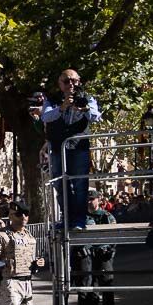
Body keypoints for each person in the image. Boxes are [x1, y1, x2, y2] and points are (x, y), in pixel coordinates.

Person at [42, 69, 101, 230]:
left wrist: (86, 109)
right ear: (60, 84)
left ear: (79, 81)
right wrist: (62, 107)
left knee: (80, 184)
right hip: (58, 148)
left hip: (79, 147)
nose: (71, 85)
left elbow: (97, 117)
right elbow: (45, 117)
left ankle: (79, 221)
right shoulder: (52, 99)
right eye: (66, 81)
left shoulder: (87, 97)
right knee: (60, 184)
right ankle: (67, 219)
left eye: (74, 81)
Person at [76, 189, 117, 305]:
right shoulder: (82, 217)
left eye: (92, 199)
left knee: (106, 284)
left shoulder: (106, 216)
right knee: (89, 285)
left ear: (98, 200)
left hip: (103, 254)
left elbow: (114, 235)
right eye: (87, 200)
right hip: (88, 255)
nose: (90, 202)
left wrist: (108, 249)